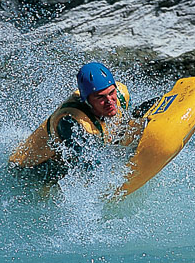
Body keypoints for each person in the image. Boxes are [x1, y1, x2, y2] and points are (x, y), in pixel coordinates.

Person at [9, 62, 146, 183]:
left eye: (111, 93)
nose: (110, 101)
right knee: (65, 168)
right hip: (31, 168)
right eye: (100, 97)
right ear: (86, 100)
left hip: (59, 155)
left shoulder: (121, 94)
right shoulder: (70, 122)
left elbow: (128, 121)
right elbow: (86, 166)